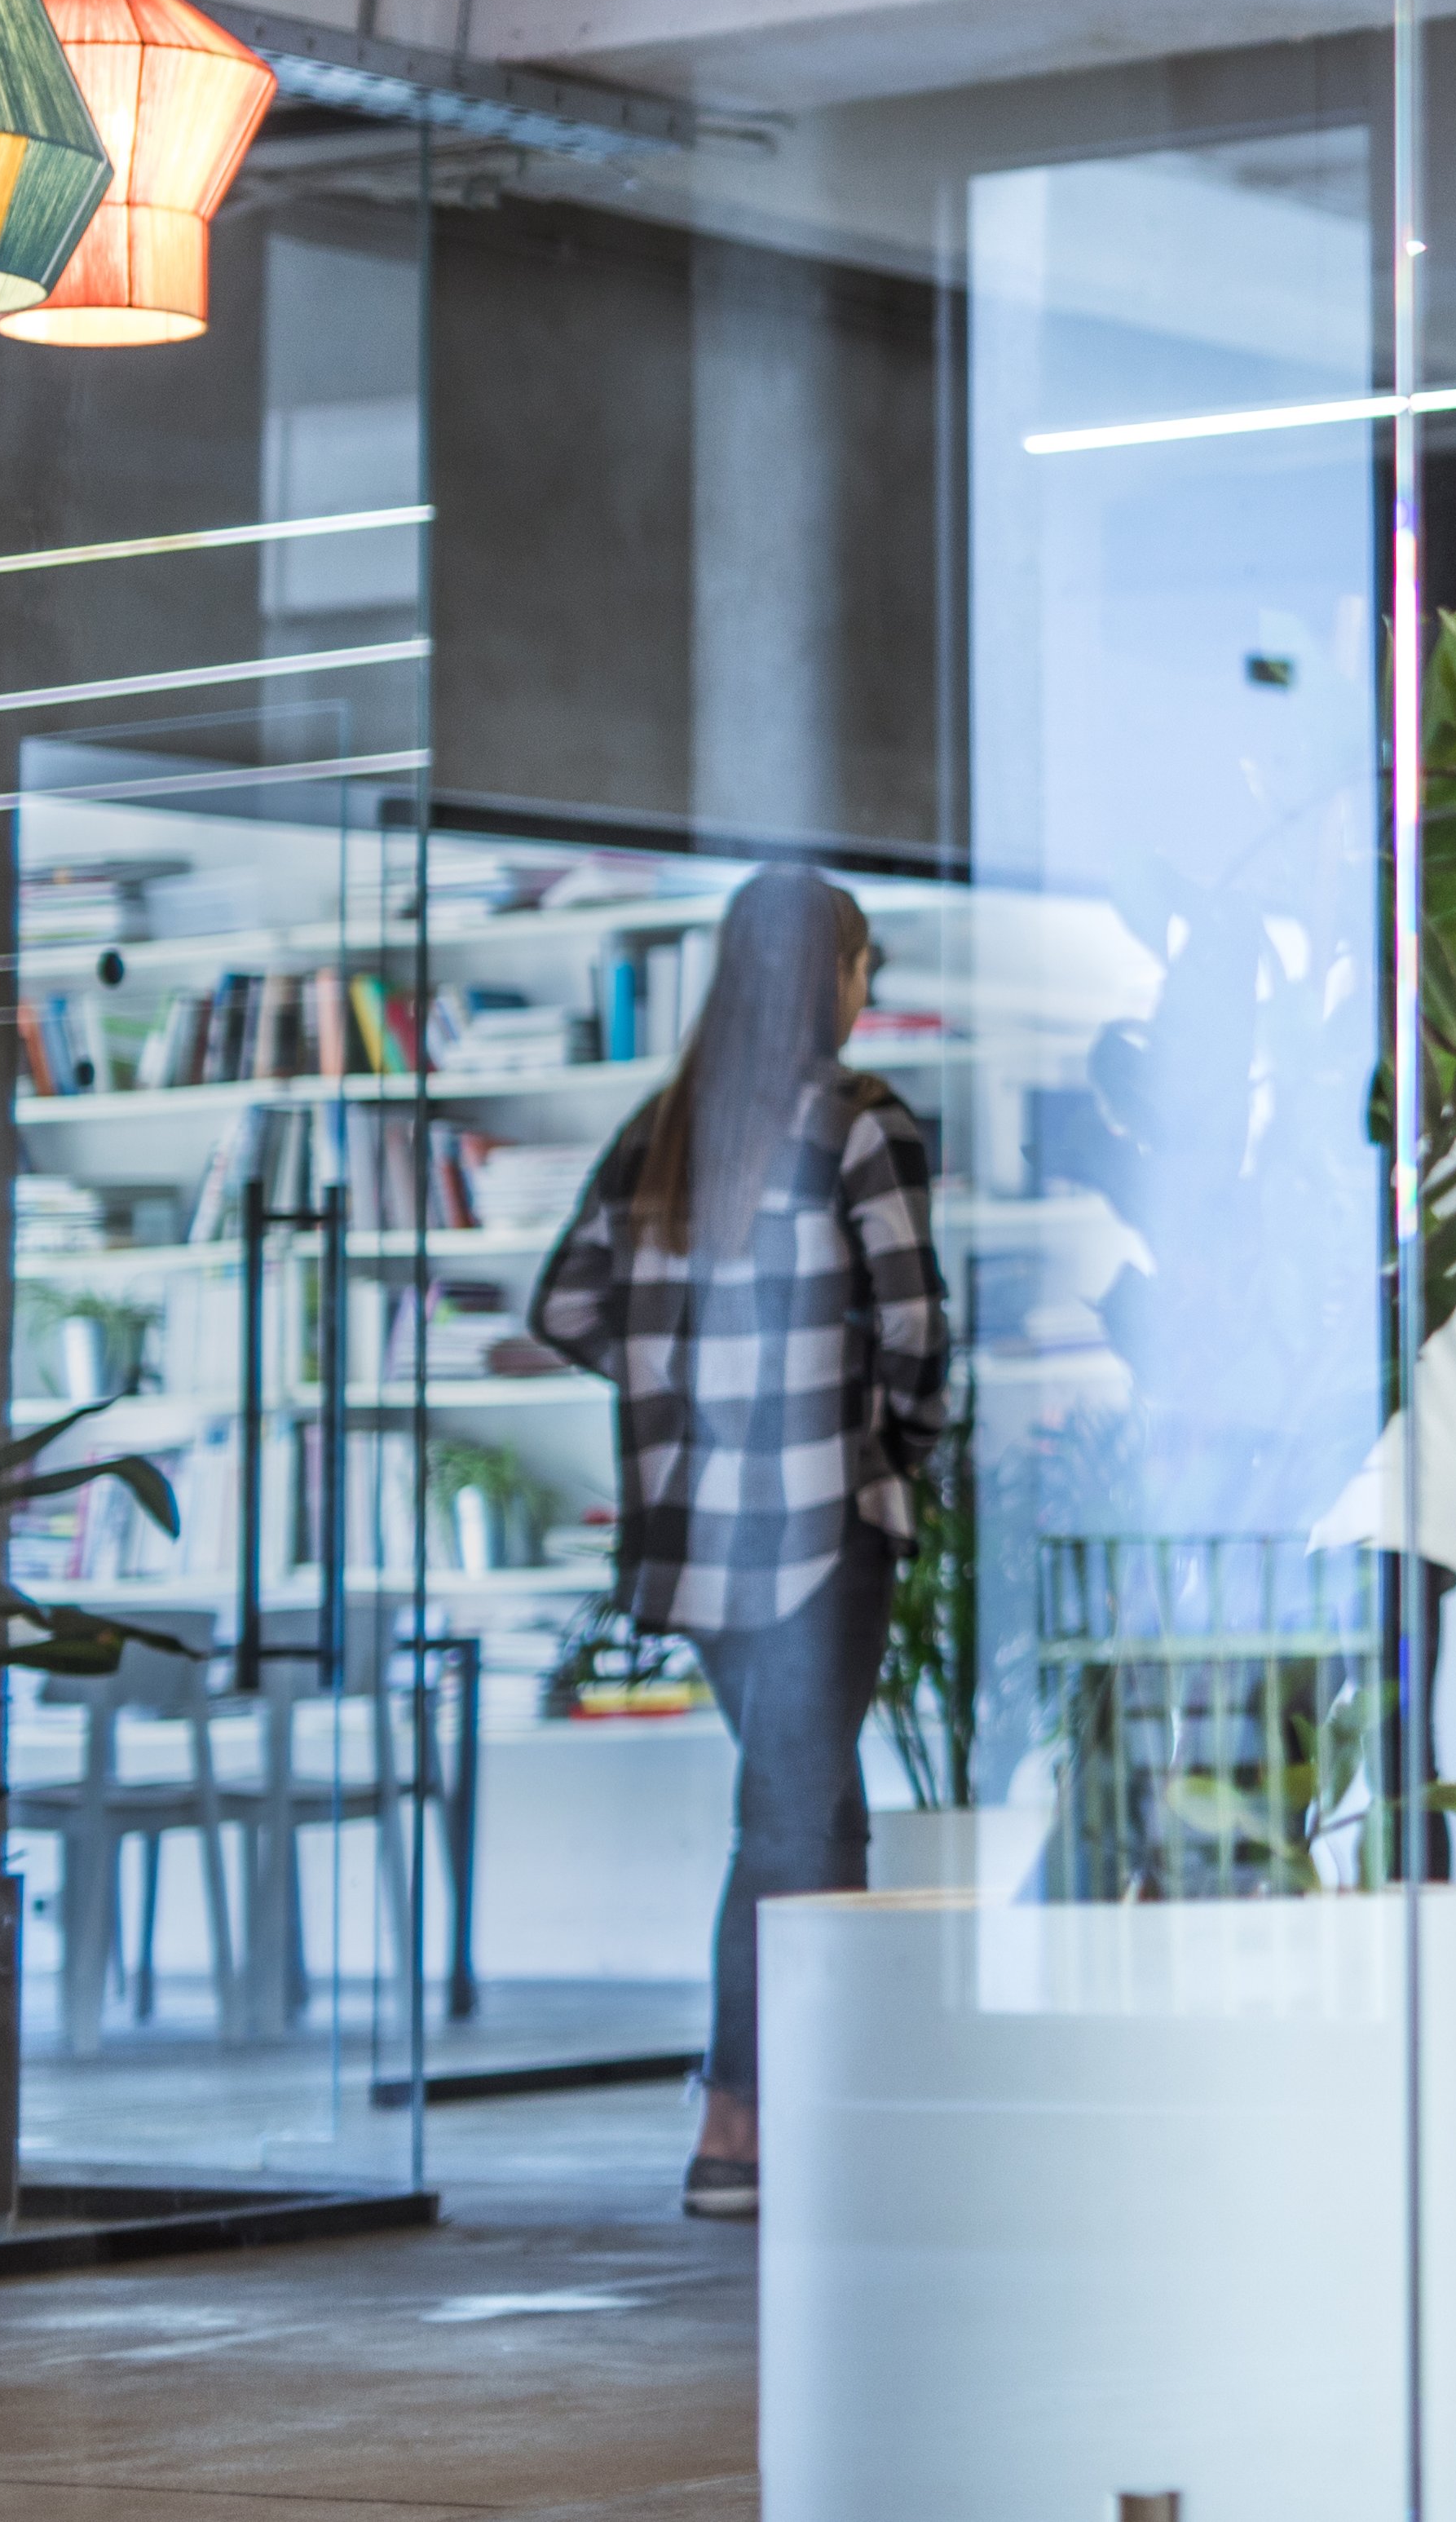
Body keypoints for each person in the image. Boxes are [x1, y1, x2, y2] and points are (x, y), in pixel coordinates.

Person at [532, 864, 950, 2225]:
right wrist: (907, 1446)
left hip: (693, 1539)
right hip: (823, 1525)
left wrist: (684, 1388)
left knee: (808, 1807)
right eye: (861, 962)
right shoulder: (857, 1122)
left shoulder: (668, 1126)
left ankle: (800, 2119)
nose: (867, 987)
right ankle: (746, 2123)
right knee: (791, 1816)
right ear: (827, 974)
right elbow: (913, 1332)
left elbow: (565, 1308)